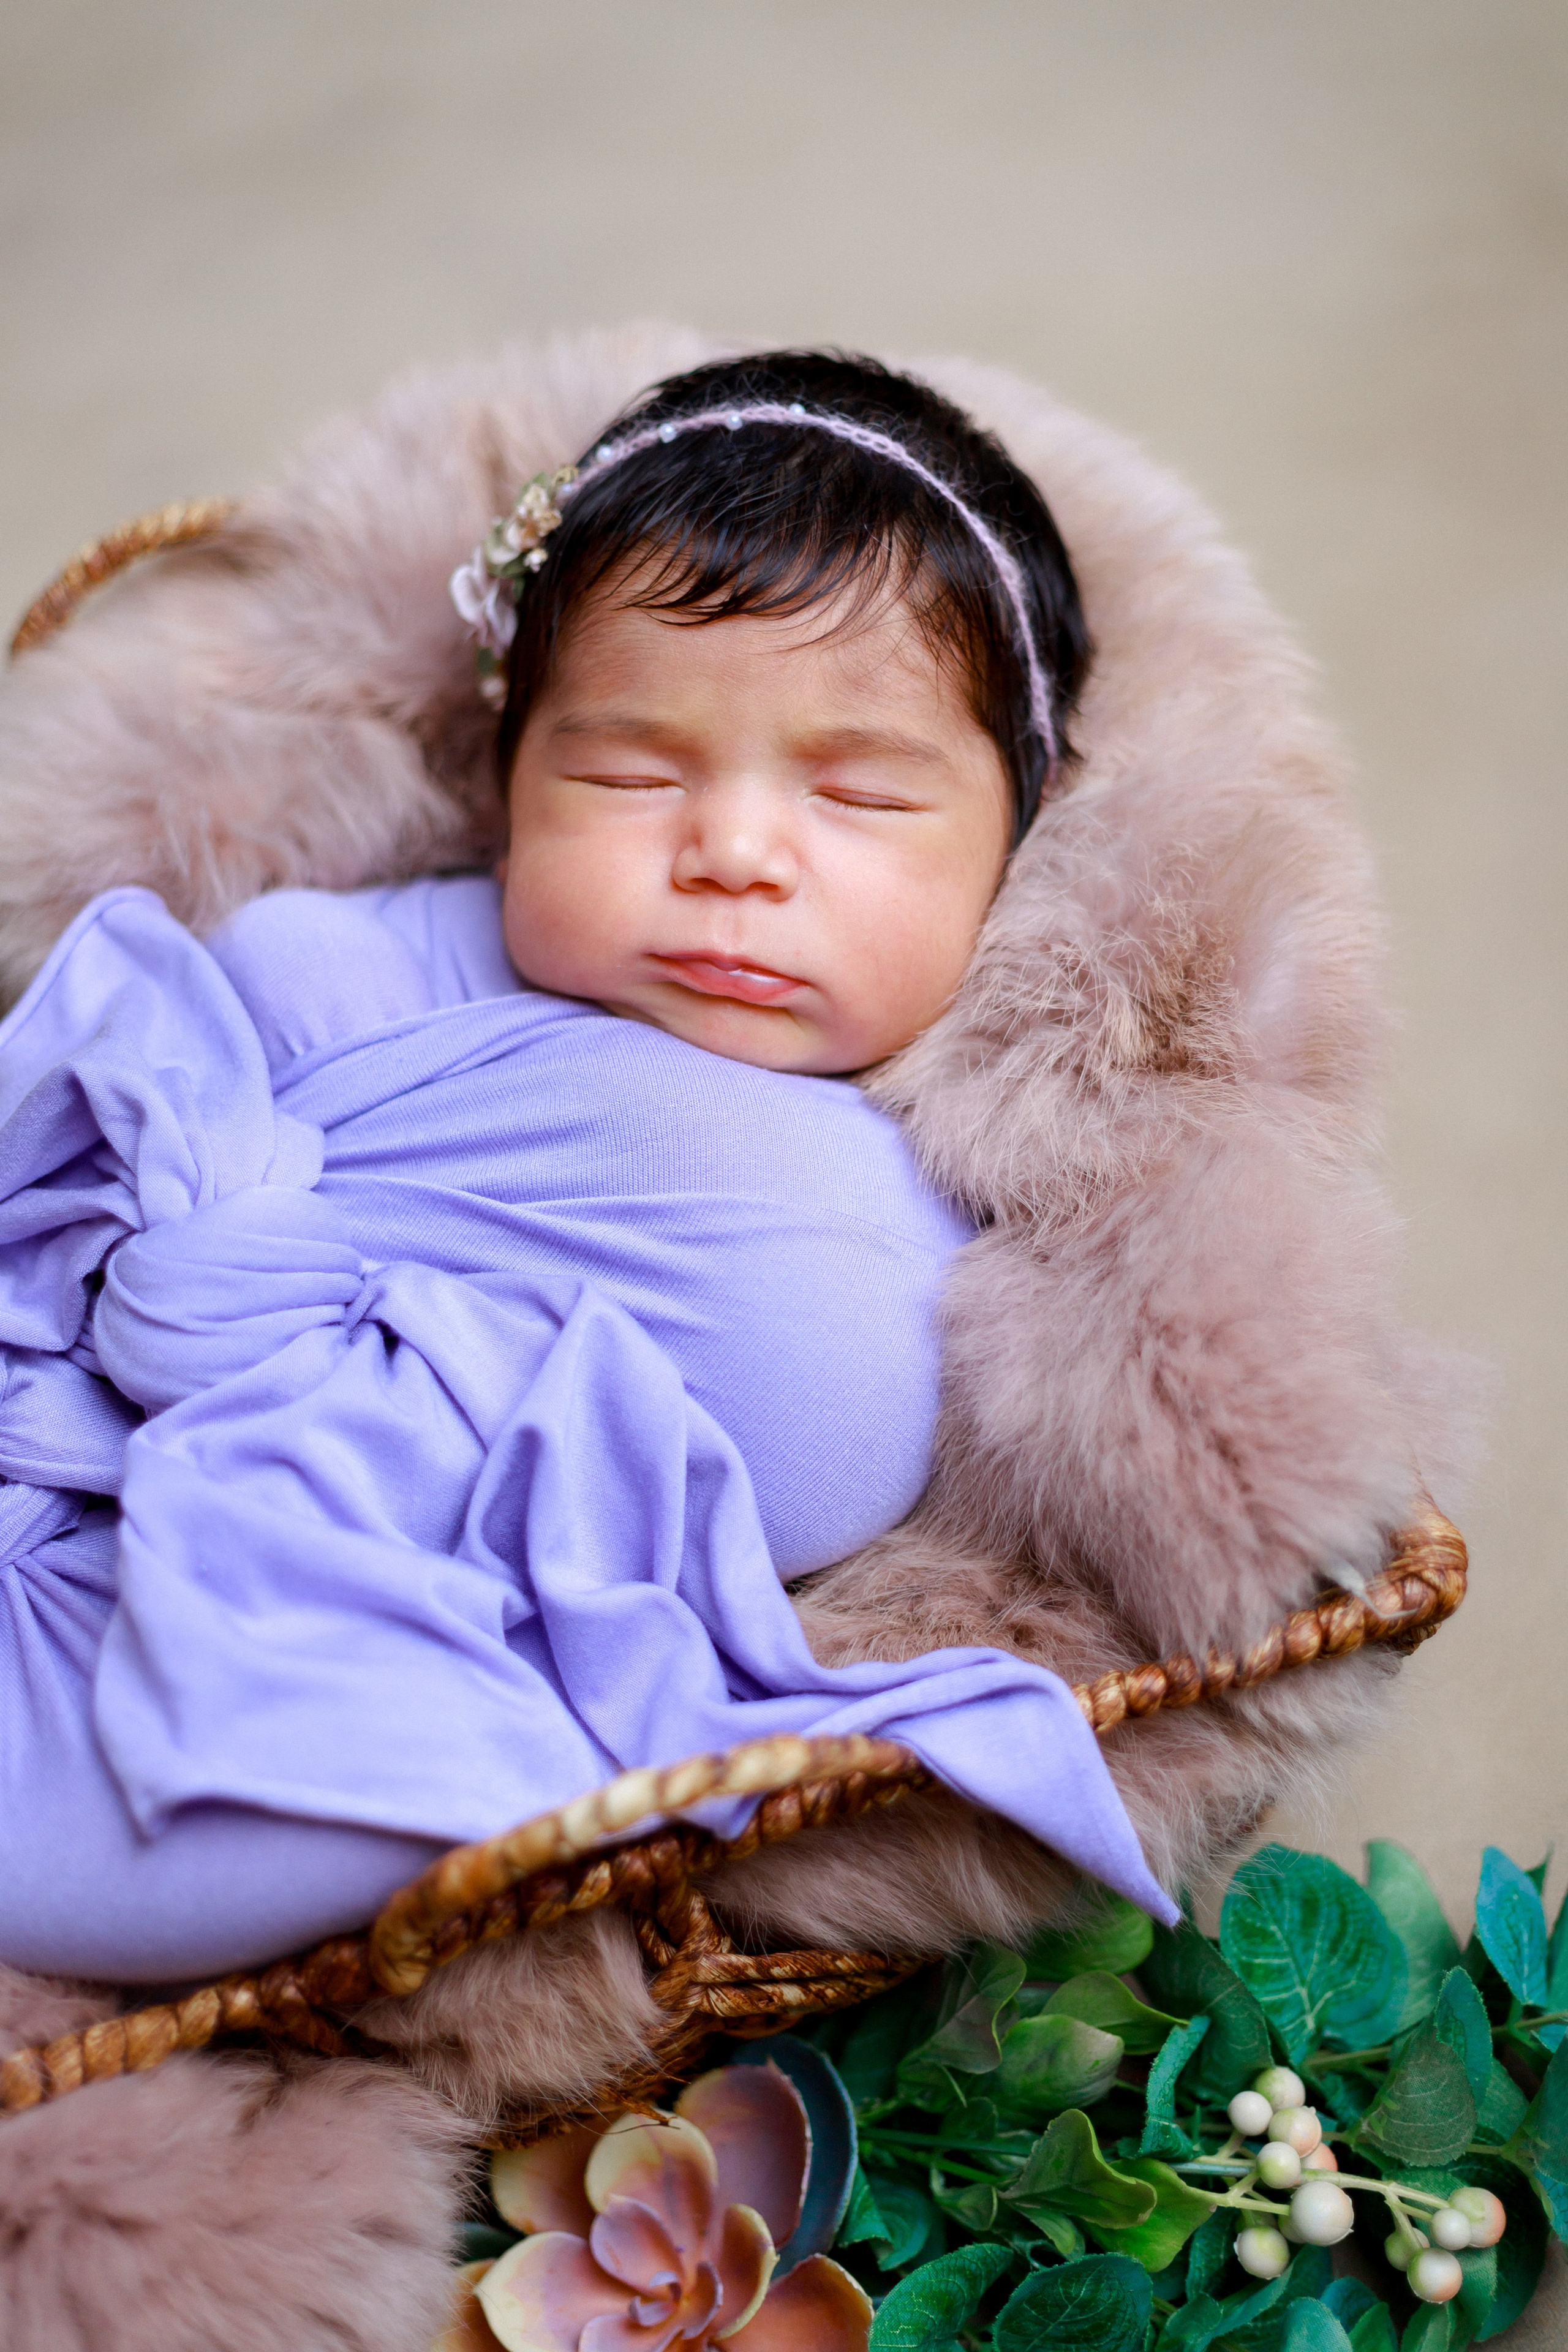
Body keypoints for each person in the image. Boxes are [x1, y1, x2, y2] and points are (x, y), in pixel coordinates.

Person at [0, 353, 1175, 1983]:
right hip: (82, 1437)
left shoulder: (1007, 1161)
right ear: (503, 783)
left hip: (370, 1644)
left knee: (294, 1803)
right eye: (628, 773)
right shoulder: (361, 967)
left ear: (1021, 829)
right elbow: (124, 1098)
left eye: (860, 791)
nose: (735, 851)